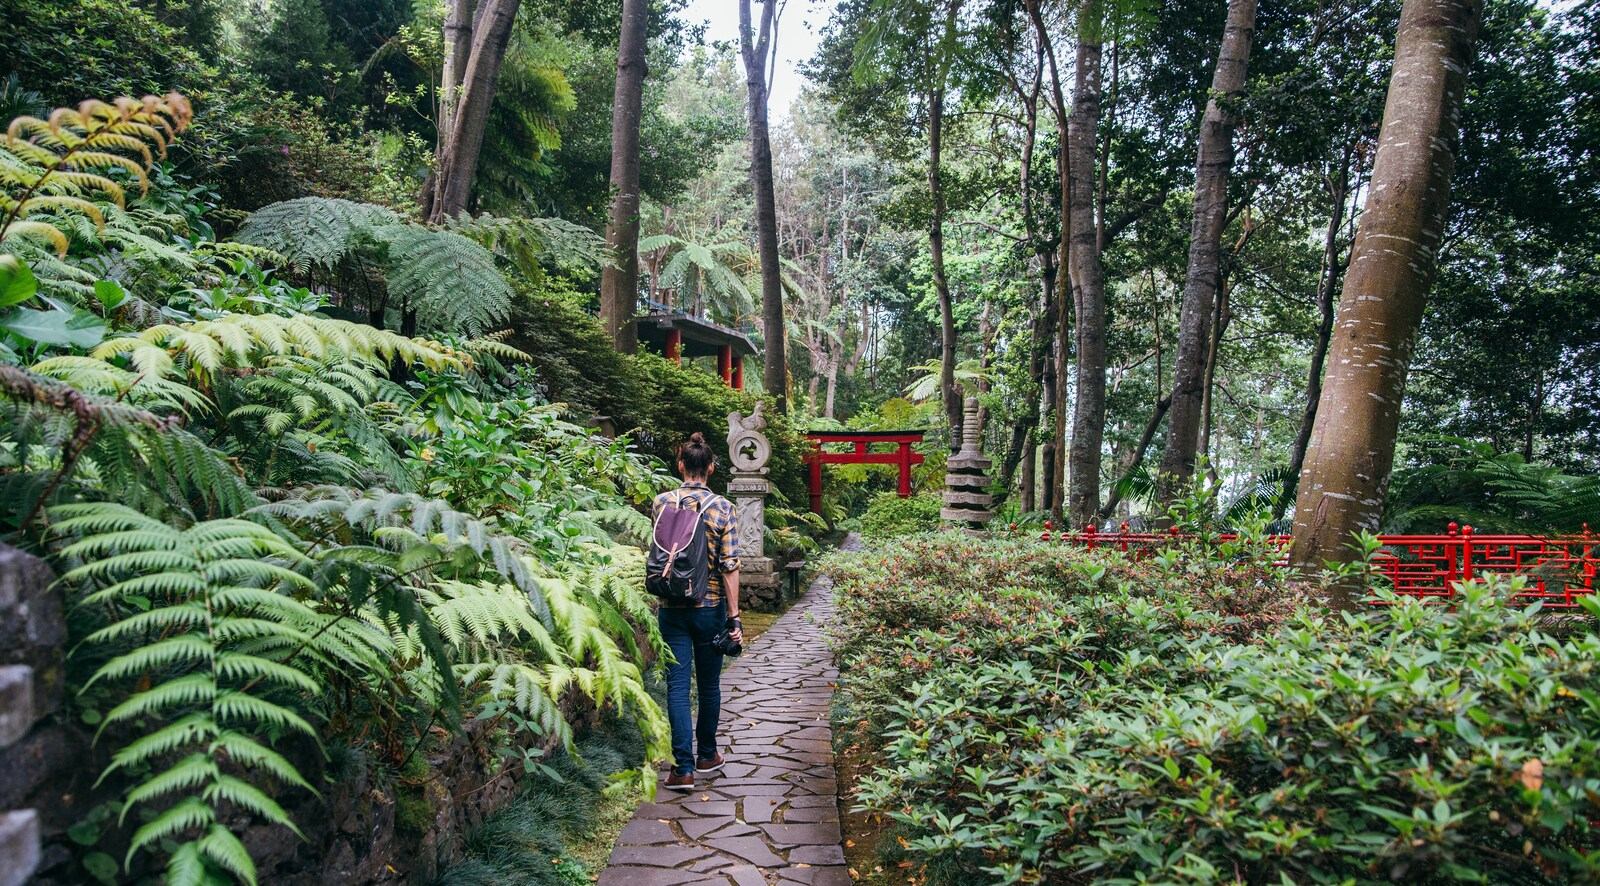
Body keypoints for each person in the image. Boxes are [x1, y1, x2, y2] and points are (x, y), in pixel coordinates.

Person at [653, 432, 743, 790]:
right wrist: (734, 617)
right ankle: (707, 755)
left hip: (671, 607)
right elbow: (729, 566)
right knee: (708, 684)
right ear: (711, 468)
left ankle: (682, 769)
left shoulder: (662, 502)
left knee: (677, 687)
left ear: (680, 466)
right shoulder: (723, 508)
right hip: (710, 607)